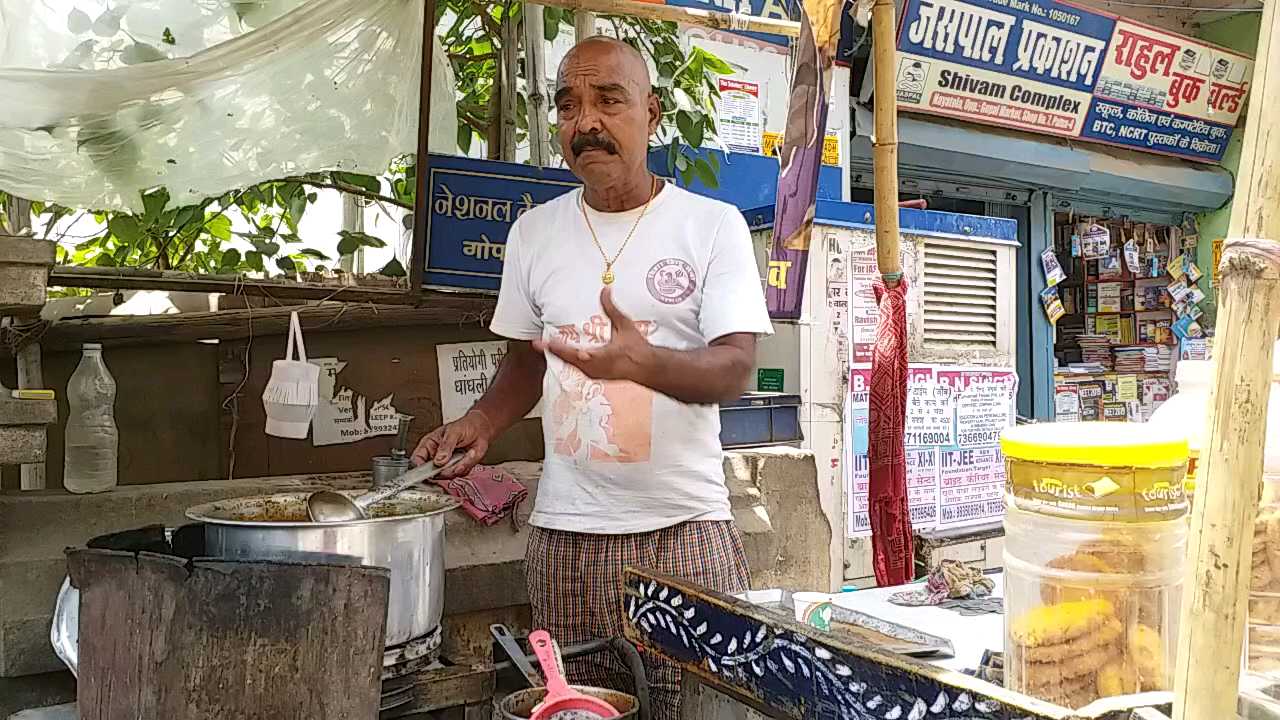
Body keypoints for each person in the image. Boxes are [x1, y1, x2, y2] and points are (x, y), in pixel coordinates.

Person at [413, 35, 772, 720]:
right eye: (569, 105)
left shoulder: (711, 227)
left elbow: (734, 367)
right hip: (565, 539)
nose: (587, 123)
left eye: (609, 100)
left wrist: (648, 364)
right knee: (573, 710)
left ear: (652, 113)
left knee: (697, 711)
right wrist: (480, 422)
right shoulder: (533, 234)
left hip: (685, 532)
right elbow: (525, 359)